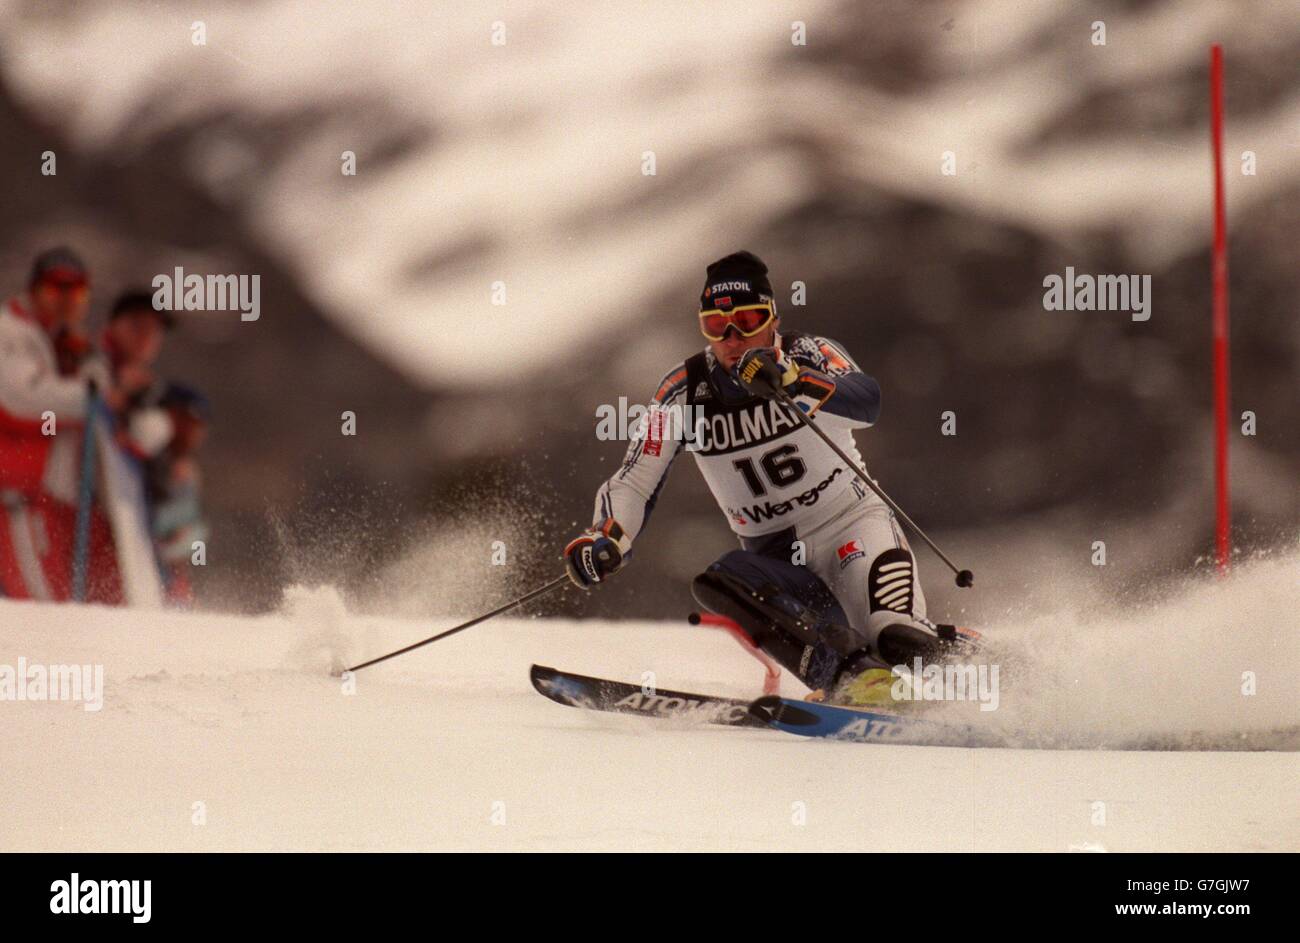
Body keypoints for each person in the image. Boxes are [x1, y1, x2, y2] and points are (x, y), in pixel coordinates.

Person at [562, 251, 974, 704]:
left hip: (854, 527)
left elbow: (868, 401)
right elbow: (636, 480)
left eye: (748, 320)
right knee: (718, 581)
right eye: (717, 326)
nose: (734, 338)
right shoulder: (683, 392)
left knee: (895, 639)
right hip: (781, 561)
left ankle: (992, 671)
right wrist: (607, 538)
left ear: (772, 319)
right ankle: (856, 680)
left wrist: (797, 382)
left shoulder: (809, 353)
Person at [0, 247, 120, 601]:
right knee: (43, 611)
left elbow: (100, 387)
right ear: (34, 289)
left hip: (59, 503)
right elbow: (21, 399)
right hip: (18, 500)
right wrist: (89, 395)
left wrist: (87, 363)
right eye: (56, 290)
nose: (66, 302)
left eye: (78, 292)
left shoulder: (66, 343)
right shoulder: (10, 331)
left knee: (69, 608)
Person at [145, 383, 211, 606]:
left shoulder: (188, 471)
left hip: (174, 576)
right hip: (148, 567)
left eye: (198, 425)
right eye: (187, 421)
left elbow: (190, 540)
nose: (194, 432)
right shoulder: (151, 458)